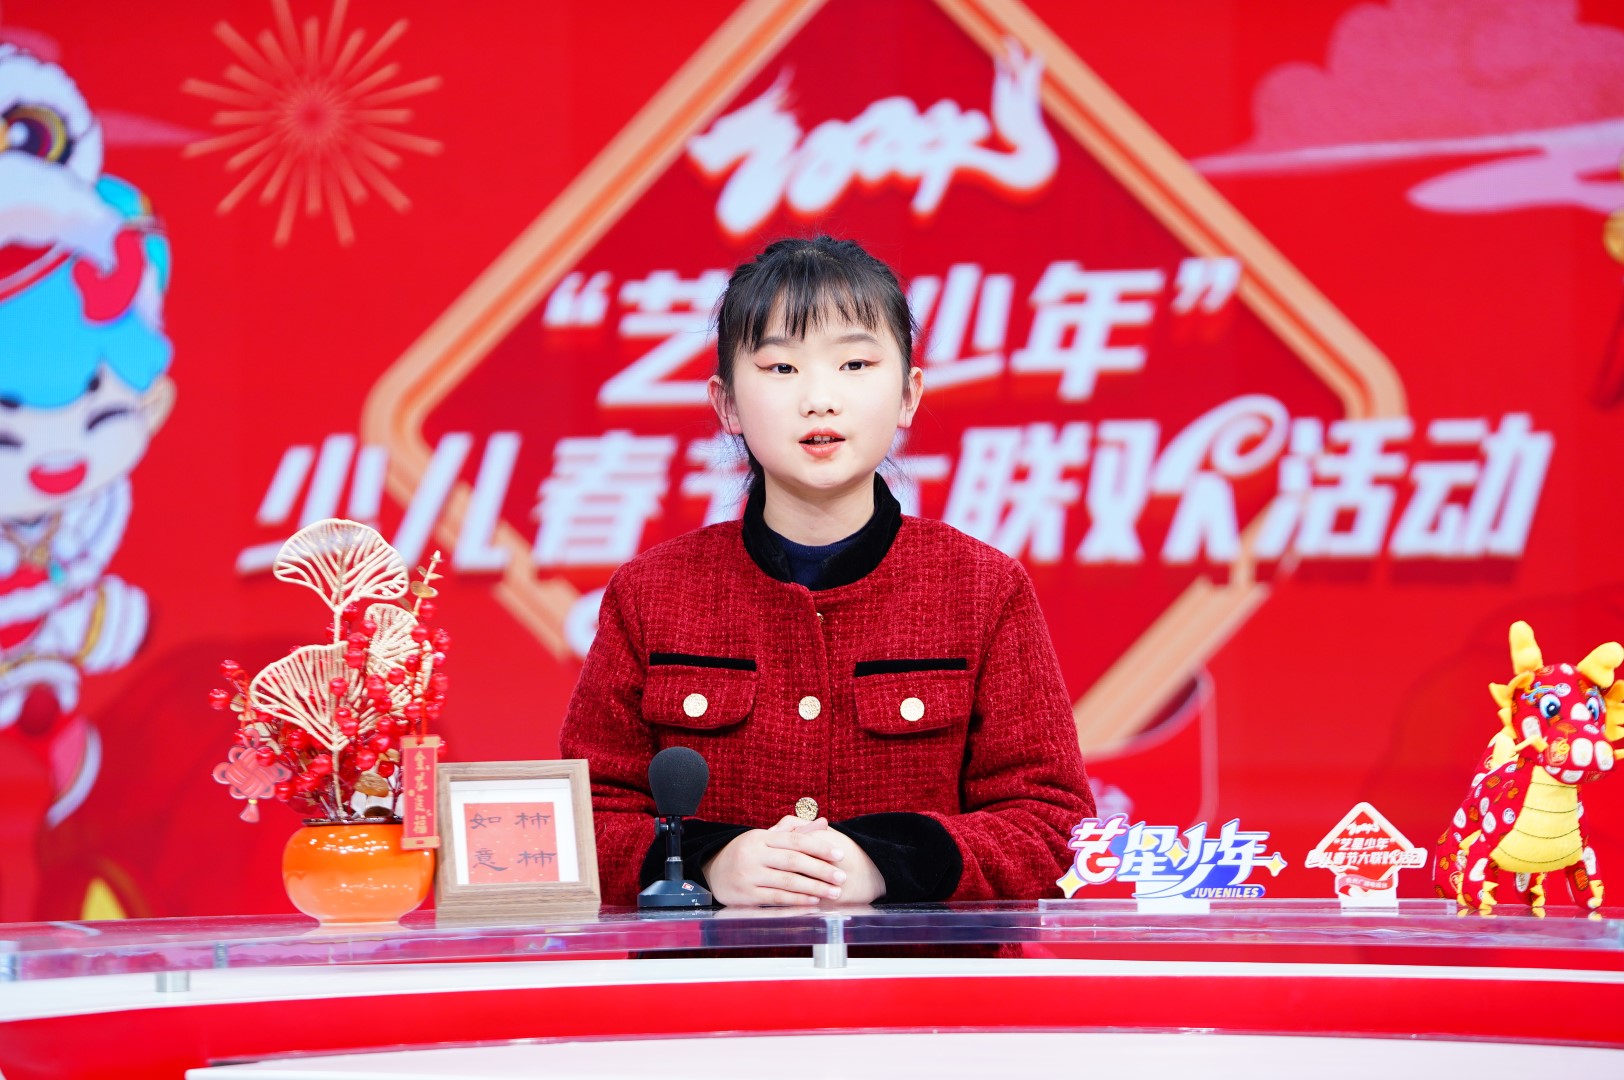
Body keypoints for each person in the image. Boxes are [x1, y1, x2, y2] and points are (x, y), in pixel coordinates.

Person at [560, 236, 1093, 908]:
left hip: (925, 979)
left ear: (909, 394)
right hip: (713, 978)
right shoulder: (651, 593)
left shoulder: (983, 588)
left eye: (855, 363)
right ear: (726, 404)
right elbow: (579, 824)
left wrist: (886, 865)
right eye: (781, 367)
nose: (819, 399)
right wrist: (707, 864)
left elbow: (1054, 826)